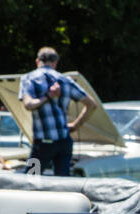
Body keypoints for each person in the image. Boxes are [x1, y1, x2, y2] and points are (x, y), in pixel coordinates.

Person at [18, 46, 98, 176]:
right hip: (64, 142)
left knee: (30, 179)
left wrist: (48, 96)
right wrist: (75, 125)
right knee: (63, 183)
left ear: (37, 61)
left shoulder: (29, 78)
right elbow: (92, 105)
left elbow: (28, 105)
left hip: (44, 143)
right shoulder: (65, 80)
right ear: (55, 63)